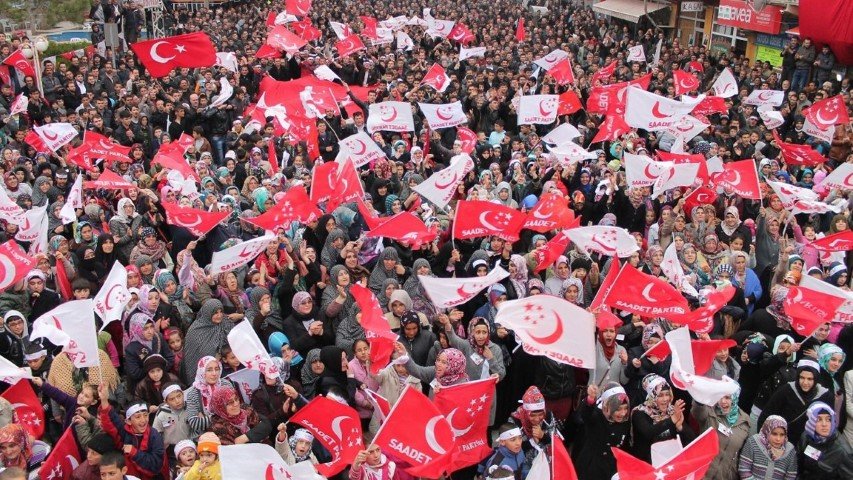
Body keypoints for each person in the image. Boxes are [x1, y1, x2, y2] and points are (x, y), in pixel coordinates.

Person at [575, 383, 631, 480]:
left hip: (613, 466)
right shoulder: (597, 415)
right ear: (607, 406)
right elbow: (585, 414)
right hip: (592, 466)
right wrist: (590, 399)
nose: (623, 413)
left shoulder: (625, 419)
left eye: (625, 408)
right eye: (618, 409)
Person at [797, 402, 853, 479]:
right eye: (819, 419)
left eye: (828, 419)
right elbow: (799, 467)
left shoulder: (842, 451)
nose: (824, 424)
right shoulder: (806, 437)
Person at [739, 415, 799, 480]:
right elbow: (744, 468)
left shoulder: (790, 450)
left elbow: (791, 476)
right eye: (774, 434)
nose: (778, 439)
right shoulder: (753, 442)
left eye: (782, 435)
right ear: (766, 431)